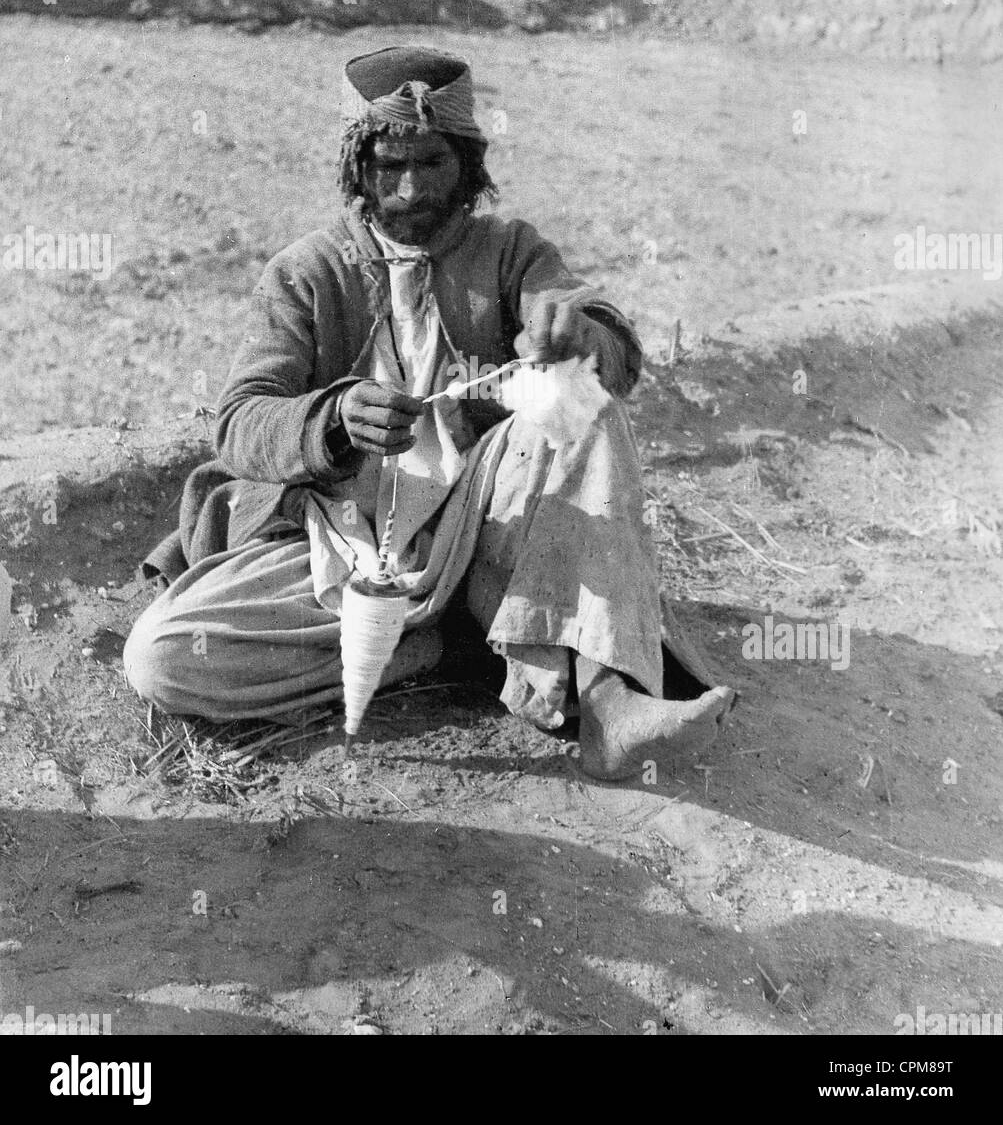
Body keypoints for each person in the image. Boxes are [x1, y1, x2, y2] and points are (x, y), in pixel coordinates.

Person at [123, 45, 735, 780]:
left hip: (481, 526)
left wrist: (578, 336)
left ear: (469, 164)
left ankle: (608, 702)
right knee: (162, 659)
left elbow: (595, 331)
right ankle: (441, 642)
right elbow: (240, 422)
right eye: (389, 166)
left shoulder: (510, 251)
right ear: (358, 168)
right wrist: (334, 420)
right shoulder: (305, 273)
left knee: (578, 403)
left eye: (433, 164)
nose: (411, 191)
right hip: (333, 543)